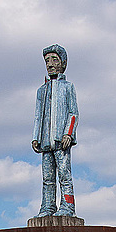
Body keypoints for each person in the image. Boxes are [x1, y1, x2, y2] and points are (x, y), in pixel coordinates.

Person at [32, 44, 79, 217]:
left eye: (54, 60)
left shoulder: (68, 87)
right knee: (47, 178)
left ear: (62, 63)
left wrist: (68, 133)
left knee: (64, 174)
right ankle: (47, 207)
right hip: (45, 142)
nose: (50, 64)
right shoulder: (41, 91)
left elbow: (73, 112)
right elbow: (38, 116)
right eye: (47, 61)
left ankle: (67, 206)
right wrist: (35, 137)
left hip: (61, 141)